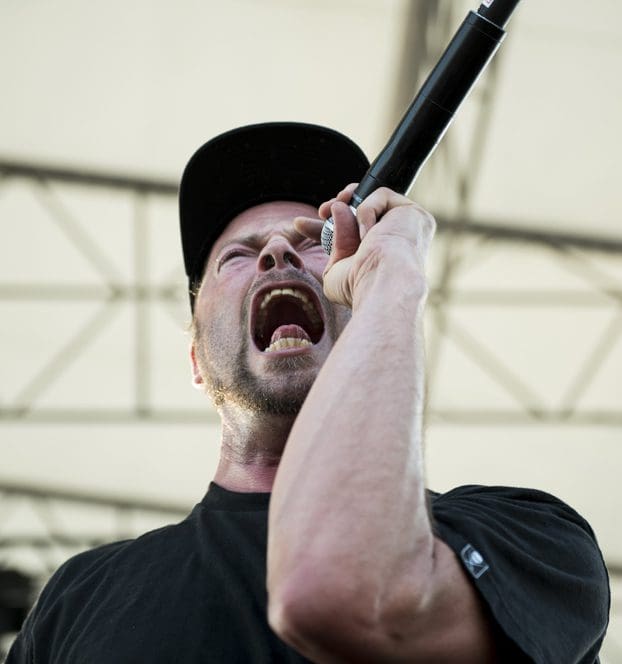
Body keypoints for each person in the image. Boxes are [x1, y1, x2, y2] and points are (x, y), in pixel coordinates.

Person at [8, 123, 609, 663]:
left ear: (371, 316)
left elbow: (338, 595)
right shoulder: (79, 598)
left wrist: (394, 273)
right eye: (237, 256)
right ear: (196, 361)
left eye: (318, 242)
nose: (277, 252)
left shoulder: (526, 538)